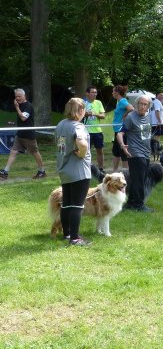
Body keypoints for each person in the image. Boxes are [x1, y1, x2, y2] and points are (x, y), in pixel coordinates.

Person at [54, 98, 91, 246]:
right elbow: (82, 143)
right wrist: (82, 153)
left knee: (67, 203)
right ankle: (75, 239)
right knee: (77, 205)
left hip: (64, 168)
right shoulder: (78, 126)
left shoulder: (60, 125)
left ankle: (67, 234)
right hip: (78, 171)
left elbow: (61, 147)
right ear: (81, 111)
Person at [116, 95, 154, 212]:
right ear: (137, 104)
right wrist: (123, 146)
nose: (142, 106)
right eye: (140, 104)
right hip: (135, 154)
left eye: (145, 104)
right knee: (139, 180)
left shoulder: (149, 117)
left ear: (148, 106)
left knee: (138, 179)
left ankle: (131, 202)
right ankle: (138, 205)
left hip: (146, 153)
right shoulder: (131, 117)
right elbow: (120, 133)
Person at [0, 88, 46, 180]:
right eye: (16, 96)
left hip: (28, 135)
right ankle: (5, 172)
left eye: (19, 96)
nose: (17, 98)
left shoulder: (28, 105)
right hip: (20, 134)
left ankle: (42, 171)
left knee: (35, 153)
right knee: (13, 152)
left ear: (24, 96)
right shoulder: (20, 105)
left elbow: (23, 118)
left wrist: (16, 107)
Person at [111, 85, 134, 172]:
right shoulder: (119, 102)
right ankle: (114, 171)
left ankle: (126, 173)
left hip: (121, 131)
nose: (112, 93)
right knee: (116, 152)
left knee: (124, 153)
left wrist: (125, 115)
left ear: (117, 93)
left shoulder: (123, 101)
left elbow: (131, 108)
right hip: (116, 130)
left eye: (113, 91)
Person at [83, 85, 106, 171]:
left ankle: (101, 169)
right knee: (85, 151)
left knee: (100, 150)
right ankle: (86, 168)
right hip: (86, 131)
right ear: (87, 93)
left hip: (97, 131)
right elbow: (77, 115)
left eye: (96, 92)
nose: (95, 94)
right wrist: (85, 114)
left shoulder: (98, 102)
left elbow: (103, 116)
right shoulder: (82, 102)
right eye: (92, 92)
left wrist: (95, 114)